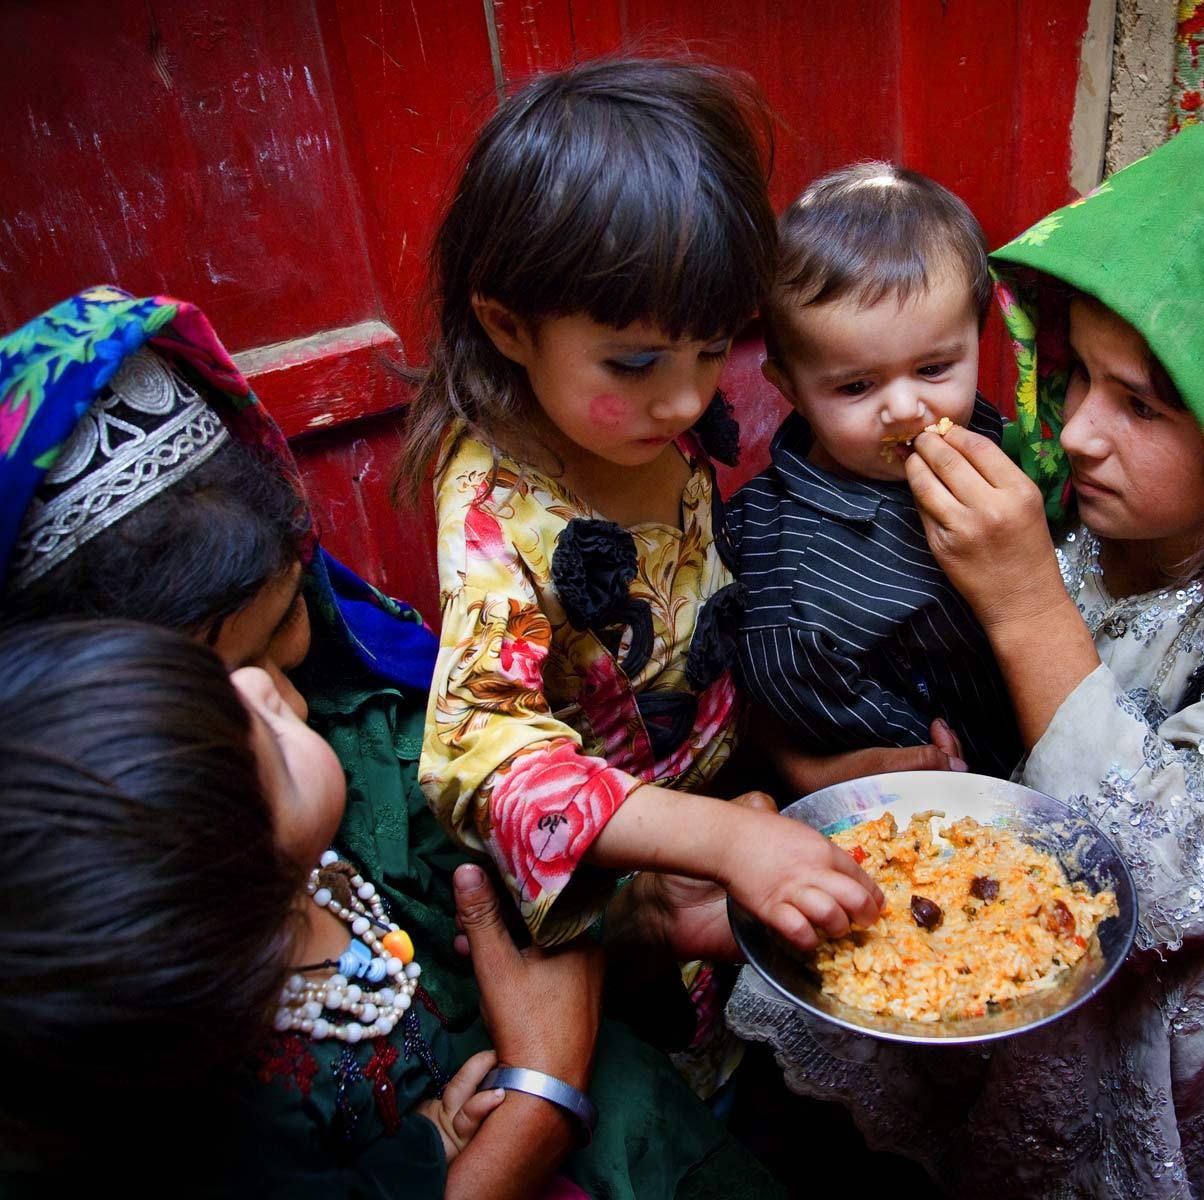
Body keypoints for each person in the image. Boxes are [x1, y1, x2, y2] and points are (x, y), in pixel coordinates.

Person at [728, 123, 1204, 1198]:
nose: (1076, 432)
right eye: (1076, 374)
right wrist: (813, 774)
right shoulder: (1053, 495)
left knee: (1191, 989)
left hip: (1173, 976)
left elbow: (1174, 891)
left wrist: (1028, 605)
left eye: (1140, 404)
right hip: (983, 899)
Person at [0, 286, 781, 1197]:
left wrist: (645, 910)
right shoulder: (92, 1006)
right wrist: (539, 1099)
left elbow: (508, 924)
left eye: (284, 629)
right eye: (213, 684)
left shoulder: (367, 730)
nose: (271, 692)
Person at [398, 58, 882, 1098]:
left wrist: (794, 775)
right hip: (614, 895)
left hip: (728, 831)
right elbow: (478, 759)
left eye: (712, 352)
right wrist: (715, 839)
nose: (687, 400)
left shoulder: (646, 427)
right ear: (508, 323)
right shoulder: (495, 510)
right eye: (635, 364)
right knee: (667, 1093)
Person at [728, 161, 1022, 778]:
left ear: (978, 337)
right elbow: (807, 699)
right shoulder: (794, 570)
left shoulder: (990, 444)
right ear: (789, 386)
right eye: (858, 386)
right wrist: (922, 751)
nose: (906, 408)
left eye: (936, 369)